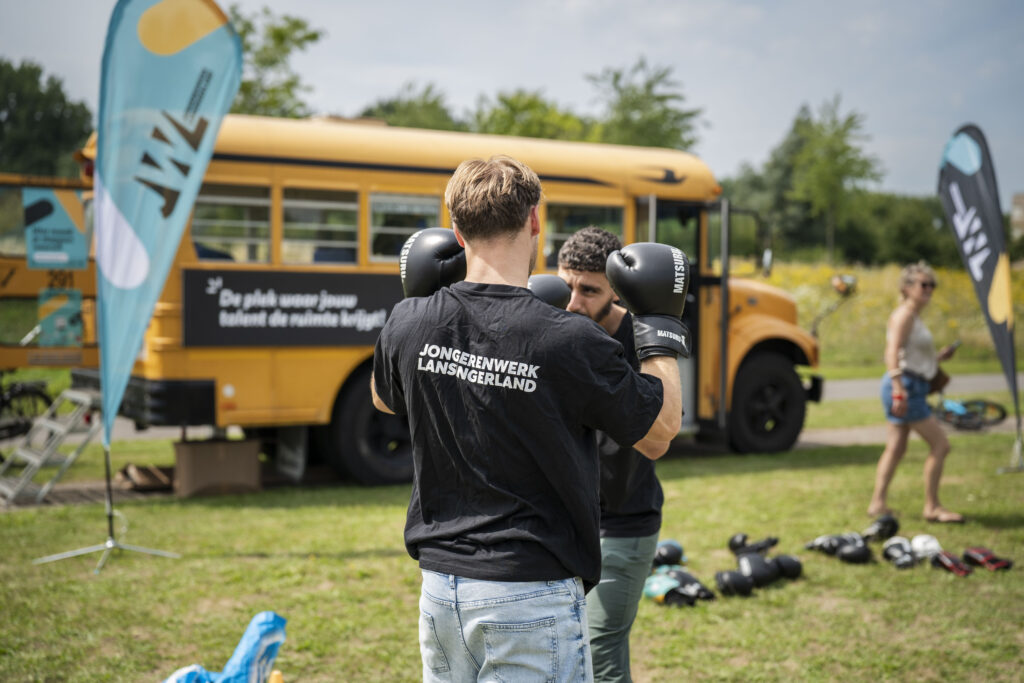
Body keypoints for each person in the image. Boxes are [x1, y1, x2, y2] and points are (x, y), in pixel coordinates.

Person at [370, 156, 685, 681]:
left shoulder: (411, 319)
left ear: (455, 229)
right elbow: (659, 433)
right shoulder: (570, 339)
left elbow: (384, 398)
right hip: (528, 591)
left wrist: (420, 308)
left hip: (441, 589)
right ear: (535, 220)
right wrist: (659, 324)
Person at [557, 227, 677, 683]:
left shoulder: (640, 342)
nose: (573, 302)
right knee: (567, 655)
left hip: (624, 524)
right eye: (566, 285)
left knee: (600, 655)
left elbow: (658, 436)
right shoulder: (559, 331)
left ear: (617, 292)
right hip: (566, 527)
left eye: (588, 290)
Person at [868, 261, 963, 523]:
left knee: (896, 448)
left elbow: (911, 354)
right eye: (924, 284)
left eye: (932, 284)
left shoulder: (914, 317)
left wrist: (938, 357)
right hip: (905, 386)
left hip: (910, 384)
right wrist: (899, 389)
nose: (929, 289)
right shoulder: (904, 315)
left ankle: (877, 504)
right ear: (906, 288)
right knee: (941, 445)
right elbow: (891, 352)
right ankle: (932, 507)